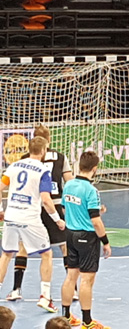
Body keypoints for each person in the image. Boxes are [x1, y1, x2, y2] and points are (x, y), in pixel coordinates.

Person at [6, 124, 74, 302]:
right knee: (64, 246)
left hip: (29, 208)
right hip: (53, 204)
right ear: (48, 141)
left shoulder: (23, 160)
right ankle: (72, 290)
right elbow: (70, 182)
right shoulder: (60, 157)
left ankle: (16, 289)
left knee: (22, 247)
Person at [60, 150, 110, 329]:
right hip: (87, 238)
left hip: (70, 235)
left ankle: (66, 317)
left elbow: (66, 209)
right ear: (94, 169)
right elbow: (96, 222)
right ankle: (87, 322)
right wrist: (105, 241)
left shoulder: (68, 185)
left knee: (70, 276)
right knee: (87, 280)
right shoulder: (91, 190)